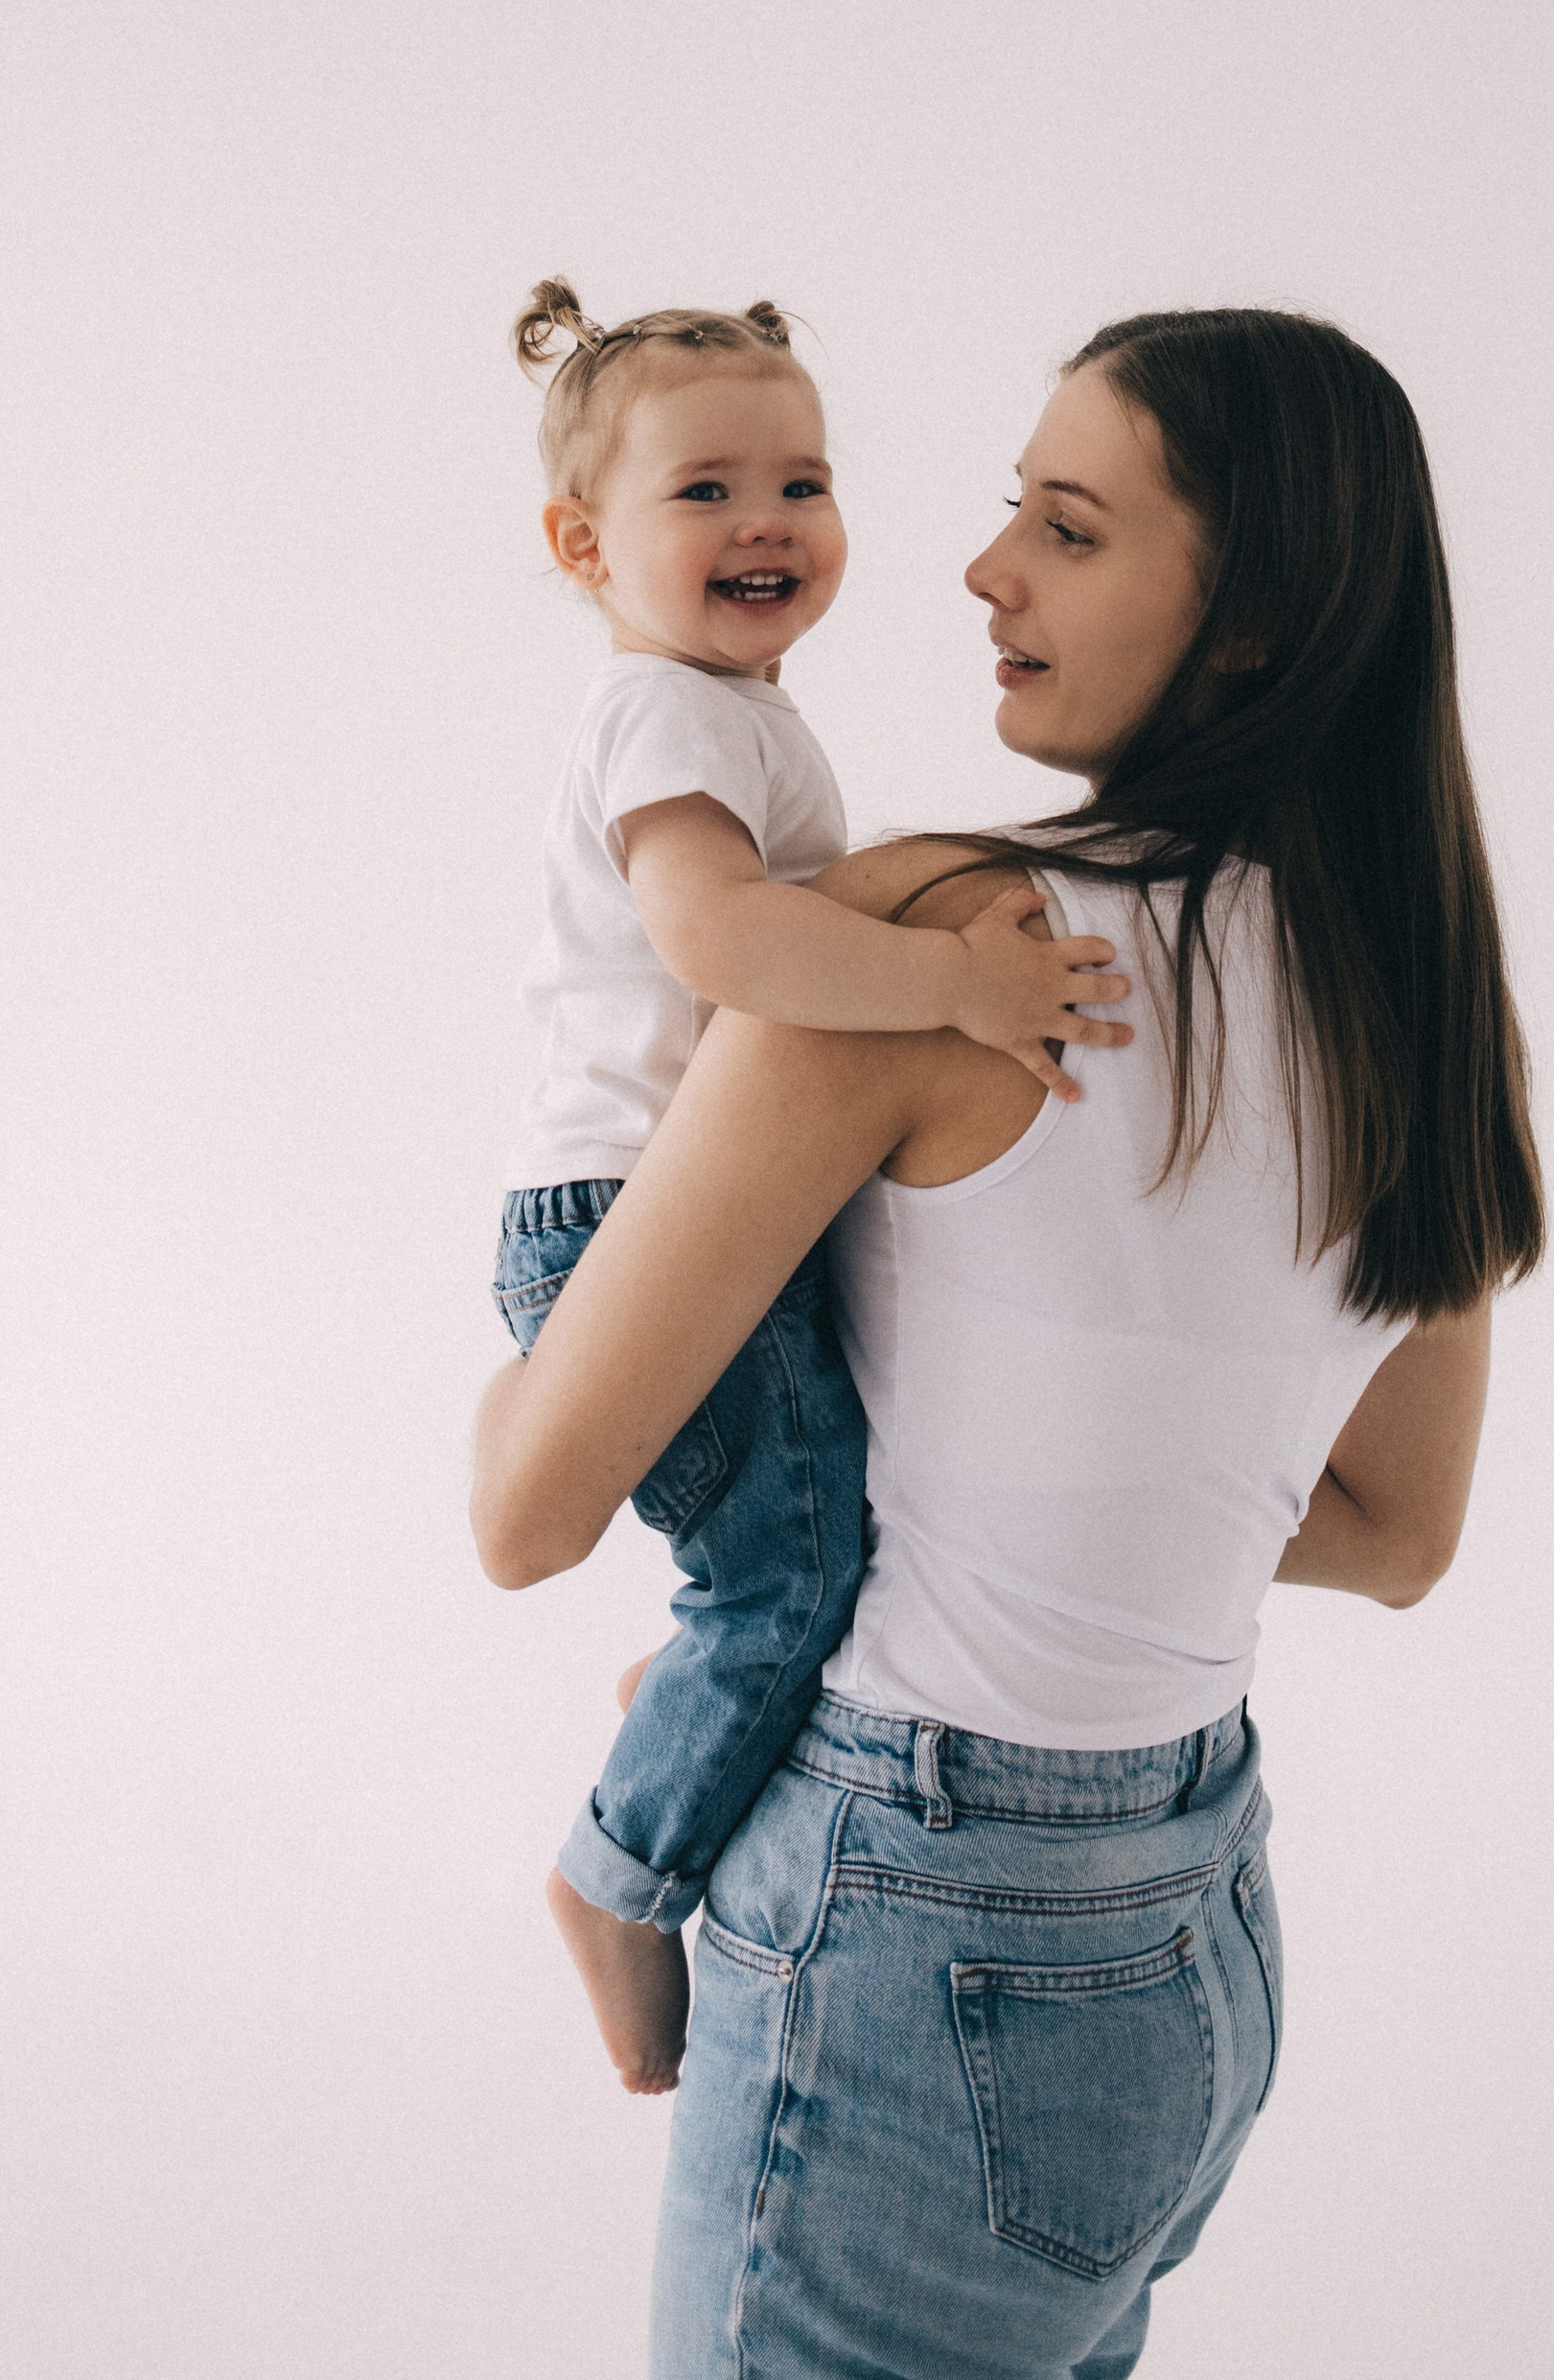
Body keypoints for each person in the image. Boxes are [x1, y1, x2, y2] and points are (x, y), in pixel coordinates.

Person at [475, 305, 1546, 2378]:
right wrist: (1021, 1509)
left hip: (912, 1935)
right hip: (1189, 1924)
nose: (982, 573)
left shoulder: (935, 940)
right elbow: (1395, 1530)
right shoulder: (1413, 995)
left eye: (1066, 528)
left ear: (1248, 623)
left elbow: (527, 1508)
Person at [499, 280, 1134, 2095]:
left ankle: (687, 1709)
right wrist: (952, 985)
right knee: (787, 1581)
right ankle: (619, 1874)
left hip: (689, 1206)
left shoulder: (733, 714)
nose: (765, 522)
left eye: (802, 483)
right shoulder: (670, 719)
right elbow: (720, 939)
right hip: (634, 1212)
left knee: (803, 1552)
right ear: (583, 546)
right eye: (703, 492)